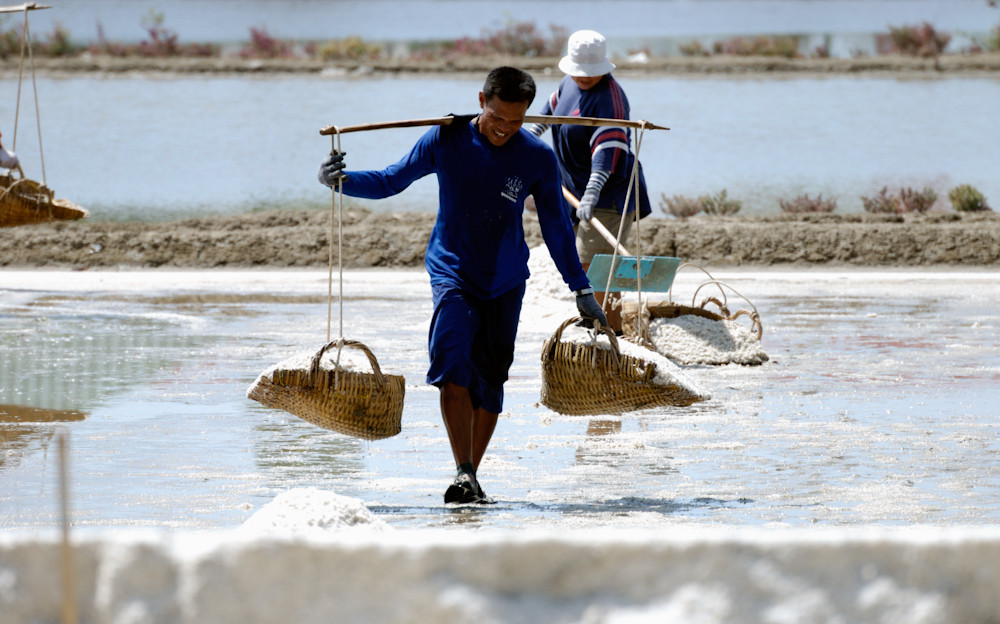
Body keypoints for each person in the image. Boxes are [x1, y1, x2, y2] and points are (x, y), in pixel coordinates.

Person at [317, 66, 608, 505]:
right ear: (480, 101)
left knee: (490, 381)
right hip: (452, 270)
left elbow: (555, 227)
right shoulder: (444, 139)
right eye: (497, 118)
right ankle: (463, 470)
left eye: (516, 121)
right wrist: (341, 181)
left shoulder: (536, 157)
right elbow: (391, 180)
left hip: (506, 277)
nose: (505, 129)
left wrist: (580, 288)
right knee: (452, 366)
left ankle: (470, 476)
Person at [527, 29, 652, 333]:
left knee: (596, 268)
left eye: (588, 73)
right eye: (578, 72)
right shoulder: (567, 83)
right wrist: (524, 143)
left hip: (609, 193)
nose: (582, 78)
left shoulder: (610, 100)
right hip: (574, 189)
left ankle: (608, 332)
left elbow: (606, 153)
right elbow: (547, 116)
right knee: (581, 262)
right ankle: (599, 325)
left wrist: (592, 193)